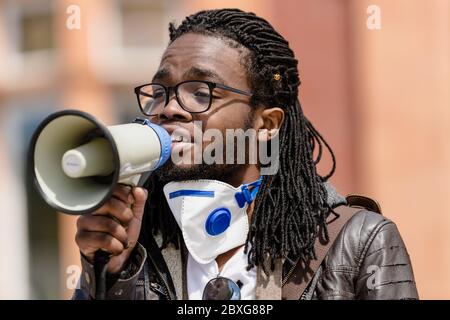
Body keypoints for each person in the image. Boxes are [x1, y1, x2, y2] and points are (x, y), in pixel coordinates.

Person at [73, 8, 418, 300]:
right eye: (161, 91)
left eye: (200, 91)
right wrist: (109, 275)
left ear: (266, 123)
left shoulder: (360, 242)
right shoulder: (136, 245)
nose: (169, 108)